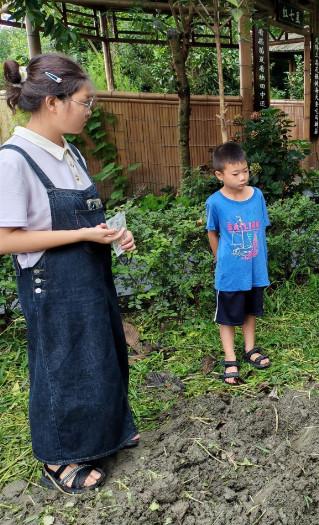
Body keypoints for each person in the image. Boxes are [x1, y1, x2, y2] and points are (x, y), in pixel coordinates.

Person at [0, 54, 139, 493]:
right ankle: (59, 459)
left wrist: (112, 234)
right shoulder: (14, 160)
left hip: (89, 275)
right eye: (84, 101)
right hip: (52, 284)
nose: (89, 109)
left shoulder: (69, 151)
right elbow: (5, 239)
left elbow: (83, 216)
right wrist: (80, 234)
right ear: (54, 102)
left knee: (100, 354)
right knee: (62, 366)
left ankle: (106, 436)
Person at [206, 141, 271, 385]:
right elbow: (212, 232)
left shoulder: (257, 196)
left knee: (250, 310)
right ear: (219, 175)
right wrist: (219, 259)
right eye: (236, 173)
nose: (243, 177)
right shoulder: (215, 202)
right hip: (230, 273)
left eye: (245, 171)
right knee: (227, 316)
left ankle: (250, 348)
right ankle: (230, 357)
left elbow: (261, 229)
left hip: (254, 269)